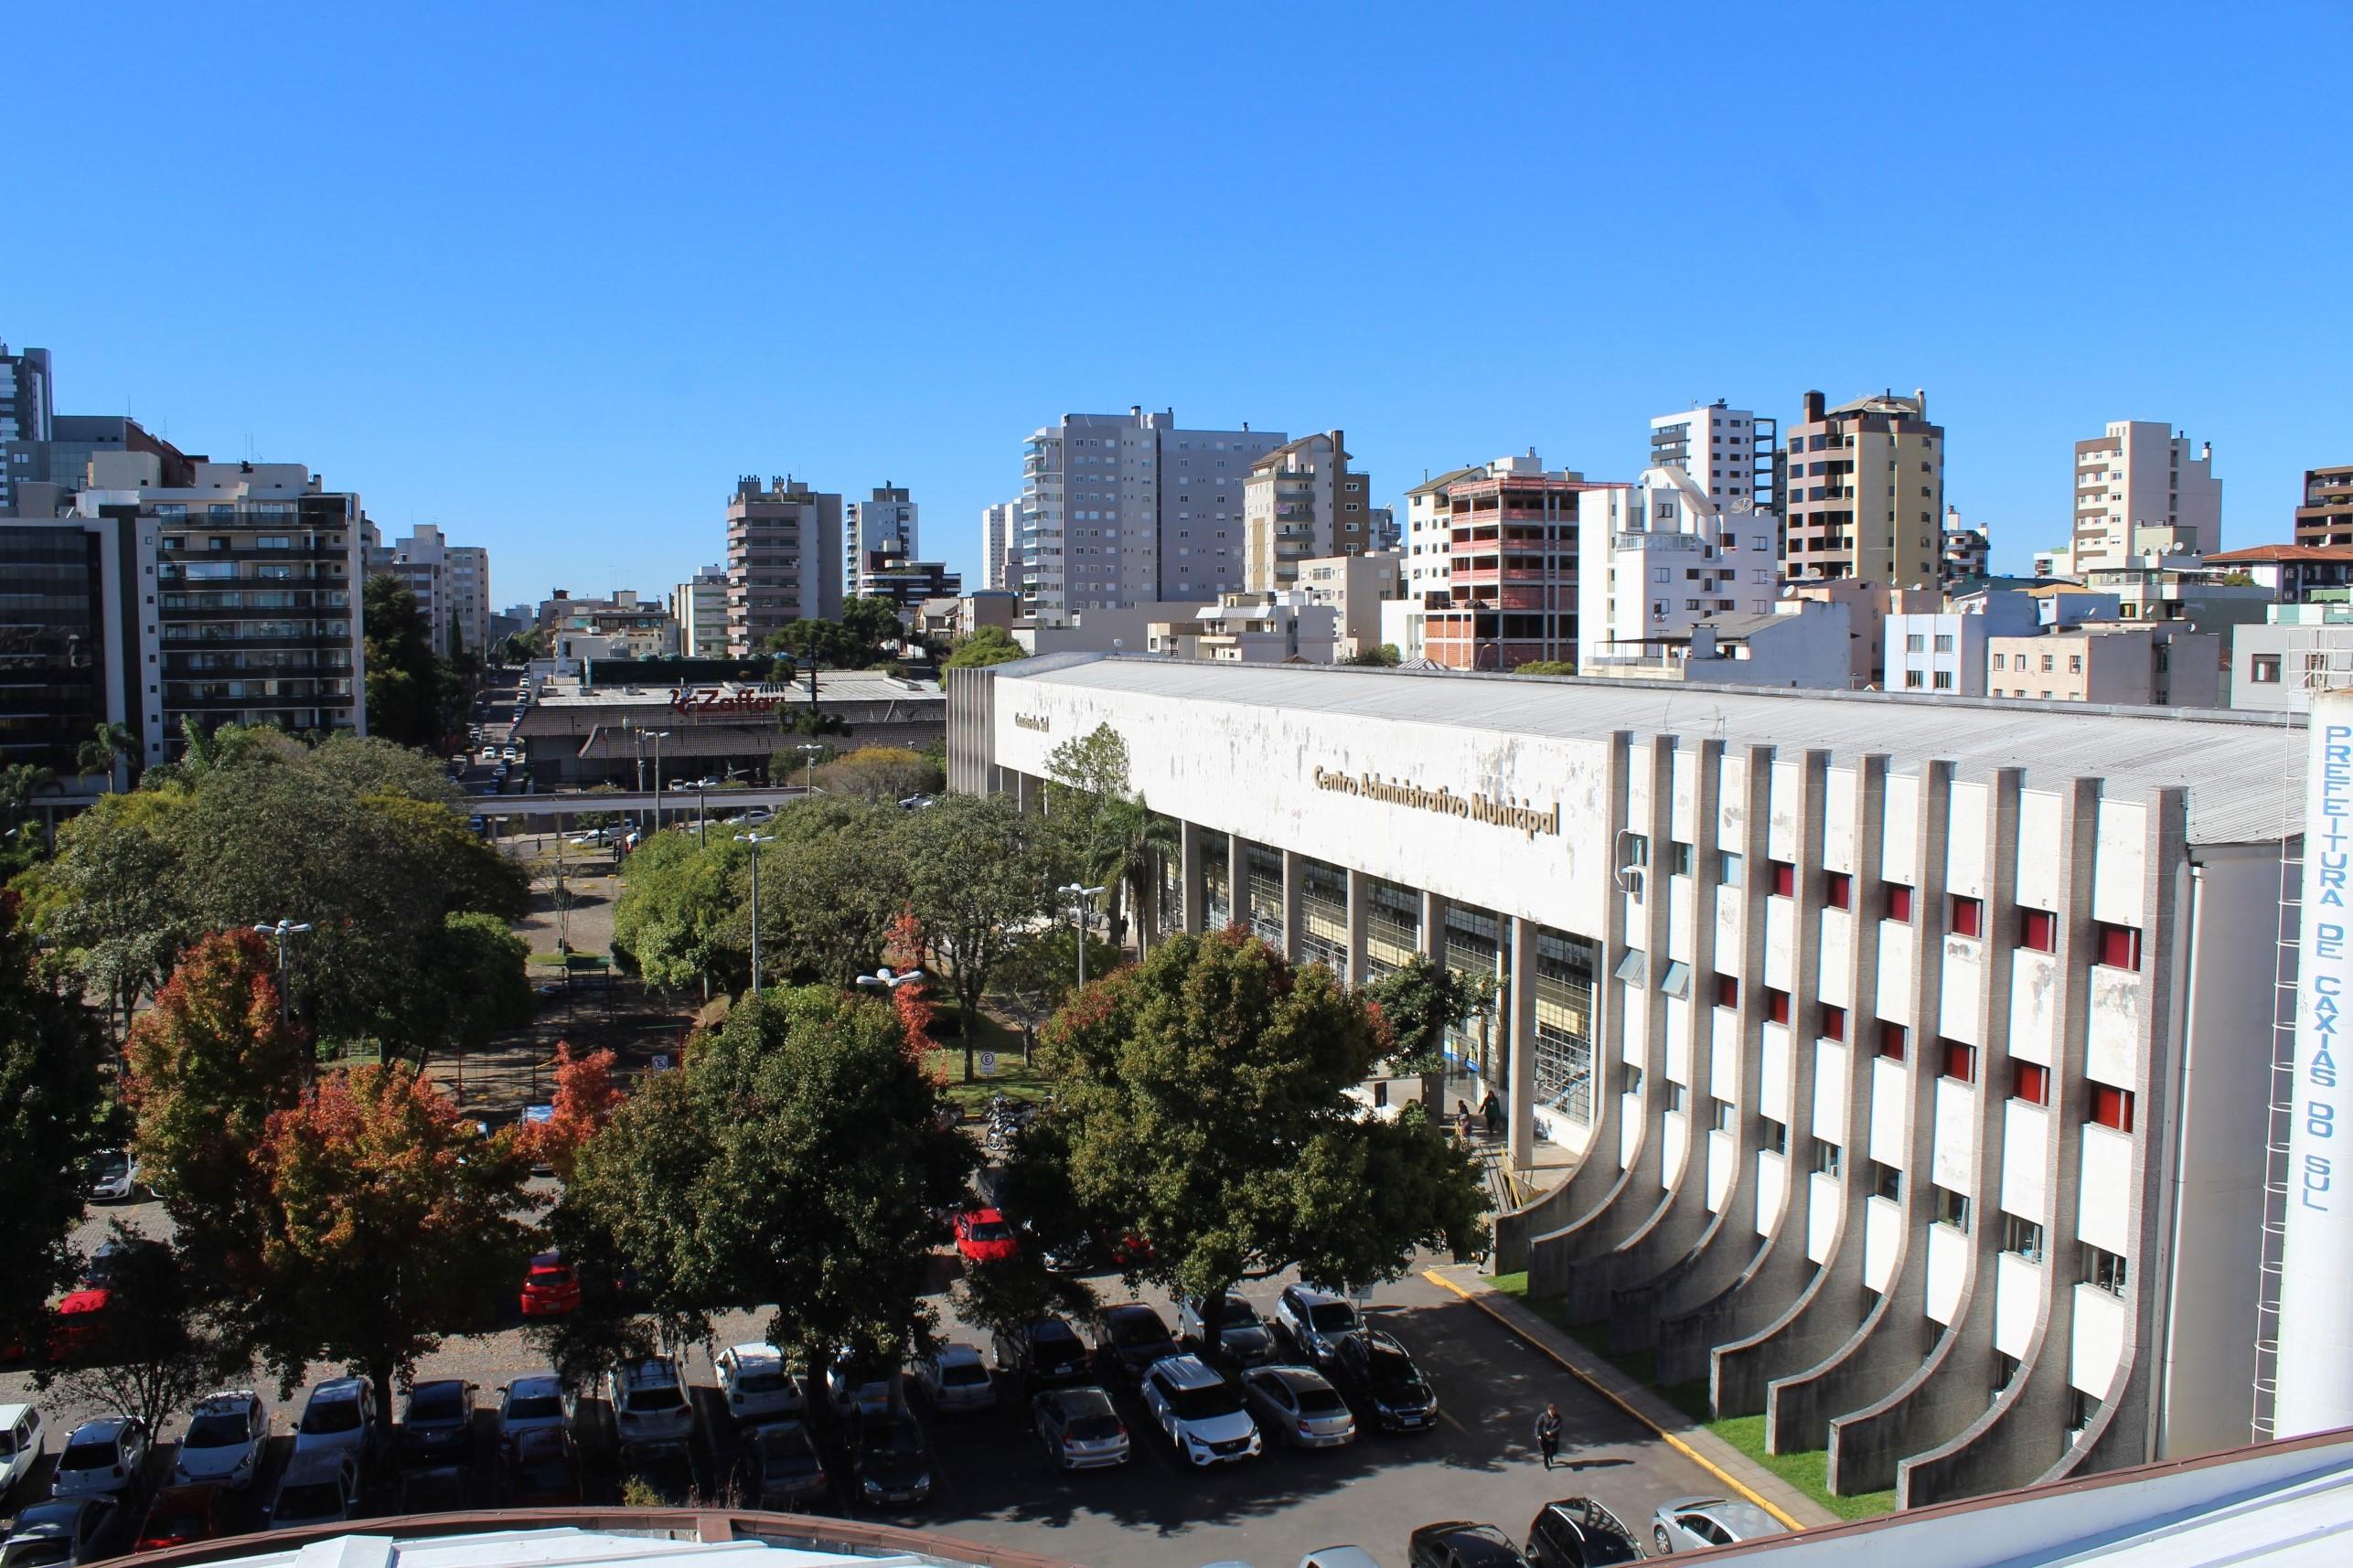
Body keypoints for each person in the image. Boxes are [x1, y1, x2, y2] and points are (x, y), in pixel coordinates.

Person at [1535, 1403, 1562, 1469]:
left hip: (1554, 1437)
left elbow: (1560, 1427)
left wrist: (1551, 1432)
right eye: (1551, 1412)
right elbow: (1538, 1425)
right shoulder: (1543, 1416)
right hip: (1545, 1437)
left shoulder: (1558, 1417)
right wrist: (1538, 1435)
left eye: (1554, 1412)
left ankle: (1551, 1455)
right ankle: (1546, 1466)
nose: (1552, 1414)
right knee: (1545, 1451)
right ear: (1549, 1410)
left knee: (1555, 1450)